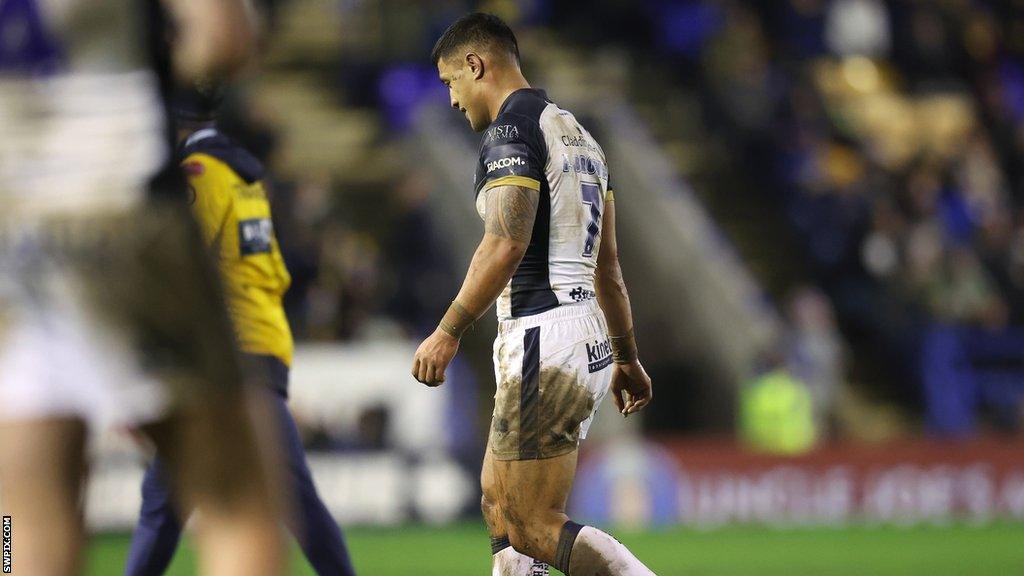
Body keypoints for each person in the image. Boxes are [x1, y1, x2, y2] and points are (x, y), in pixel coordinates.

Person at [0, 1, 286, 575]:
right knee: (234, 500)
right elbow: (220, 38)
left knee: (21, 518)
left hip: (12, 232)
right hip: (118, 204)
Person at [412, 12, 655, 576]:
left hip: (544, 334)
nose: (452, 100)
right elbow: (609, 266)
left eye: (451, 82)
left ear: (477, 65)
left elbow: (505, 242)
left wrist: (447, 331)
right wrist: (625, 358)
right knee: (499, 505)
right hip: (580, 331)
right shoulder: (579, 135)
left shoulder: (510, 130)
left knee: (530, 521)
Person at [124, 87, 357, 576]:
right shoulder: (242, 176)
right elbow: (274, 270)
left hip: (228, 348)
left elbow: (182, 266)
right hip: (258, 338)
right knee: (164, 501)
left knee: (275, 495)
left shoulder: (198, 174)